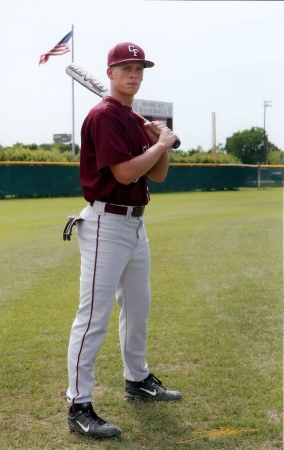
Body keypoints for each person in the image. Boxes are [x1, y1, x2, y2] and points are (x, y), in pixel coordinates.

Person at [66, 42, 182, 438]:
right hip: (105, 225)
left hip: (135, 224)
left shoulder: (132, 119)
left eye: (139, 68)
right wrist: (163, 143)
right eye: (125, 67)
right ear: (111, 73)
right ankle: (79, 405)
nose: (133, 74)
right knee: (93, 317)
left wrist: (157, 139)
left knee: (138, 307)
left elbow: (159, 175)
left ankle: (137, 380)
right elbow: (124, 174)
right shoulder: (103, 116)